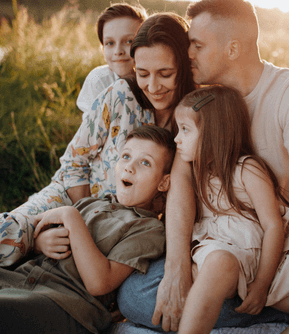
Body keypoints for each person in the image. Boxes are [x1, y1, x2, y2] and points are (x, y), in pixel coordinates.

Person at [118, 1, 289, 333]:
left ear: (233, 47)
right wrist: (178, 268)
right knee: (134, 295)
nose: (188, 54)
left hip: (288, 250)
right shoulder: (202, 101)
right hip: (219, 252)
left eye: (196, 44)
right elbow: (181, 182)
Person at [0, 12, 195, 267]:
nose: (153, 86)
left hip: (127, 228)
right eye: (143, 73)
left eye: (165, 73)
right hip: (72, 200)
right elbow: (73, 162)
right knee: (7, 234)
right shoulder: (121, 95)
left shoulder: (192, 119)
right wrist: (77, 221)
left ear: (184, 66)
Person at [0, 125, 175, 334]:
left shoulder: (148, 228)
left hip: (65, 304)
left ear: (164, 182)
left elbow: (99, 283)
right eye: (126, 156)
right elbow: (37, 226)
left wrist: (71, 217)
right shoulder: (92, 204)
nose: (130, 167)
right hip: (18, 280)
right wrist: (38, 244)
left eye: (145, 162)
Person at [173, 85, 289, 334]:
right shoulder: (195, 174)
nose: (176, 139)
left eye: (184, 130)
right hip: (222, 260)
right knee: (219, 264)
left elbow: (272, 226)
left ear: (213, 134)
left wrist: (261, 284)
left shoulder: (247, 170)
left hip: (269, 267)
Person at [76, 3, 147, 117]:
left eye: (129, 41)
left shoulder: (154, 80)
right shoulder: (99, 80)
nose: (118, 51)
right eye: (110, 43)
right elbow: (91, 129)